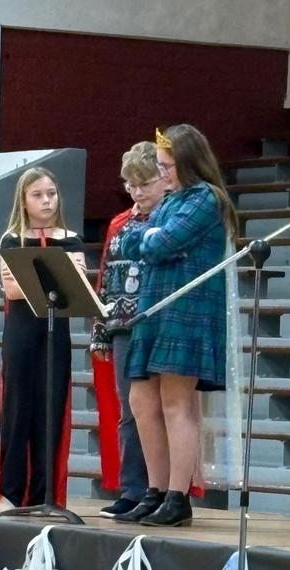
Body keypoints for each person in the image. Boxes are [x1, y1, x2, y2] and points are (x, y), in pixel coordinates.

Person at [114, 124, 239, 527]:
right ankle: (153, 490)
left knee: (175, 402)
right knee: (140, 400)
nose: (162, 172)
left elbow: (161, 243)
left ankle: (177, 496)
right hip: (154, 307)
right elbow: (131, 242)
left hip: (187, 309)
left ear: (188, 162)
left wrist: (152, 237)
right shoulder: (172, 201)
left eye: (167, 166)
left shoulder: (205, 198)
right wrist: (152, 236)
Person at [0, 167, 86, 511]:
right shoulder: (12, 240)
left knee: (51, 409)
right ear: (24, 200)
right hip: (21, 334)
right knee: (17, 410)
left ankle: (46, 494)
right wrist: (54, 278)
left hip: (55, 335)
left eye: (51, 193)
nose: (47, 201)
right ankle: (10, 493)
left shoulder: (72, 239)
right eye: (38, 195)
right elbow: (14, 291)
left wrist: (36, 278)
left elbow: (76, 286)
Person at [90, 142, 166, 518]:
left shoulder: (172, 220)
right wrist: (101, 329)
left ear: (164, 179)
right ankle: (133, 488)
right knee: (129, 410)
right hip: (122, 325)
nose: (137, 192)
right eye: (130, 185)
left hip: (160, 323)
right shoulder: (119, 223)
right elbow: (106, 277)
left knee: (165, 409)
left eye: (145, 183)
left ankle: (163, 489)